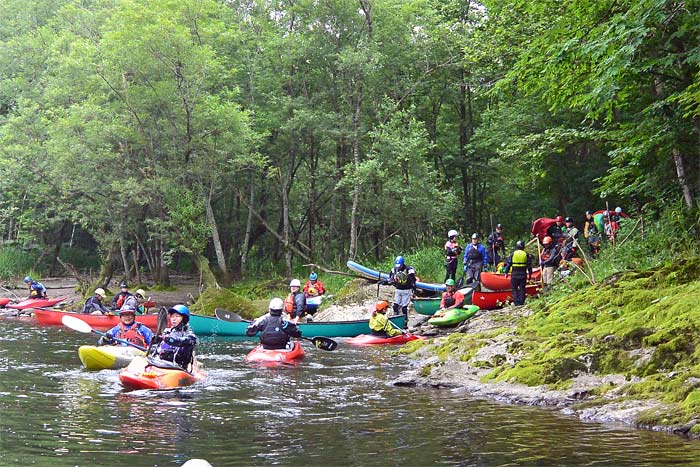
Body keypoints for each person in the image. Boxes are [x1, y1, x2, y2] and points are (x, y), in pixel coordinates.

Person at [150, 304, 197, 369]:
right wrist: (155, 342)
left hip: (179, 368)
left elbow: (179, 341)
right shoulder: (168, 332)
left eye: (177, 316)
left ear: (184, 318)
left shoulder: (190, 335)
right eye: (172, 316)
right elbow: (160, 349)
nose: (173, 319)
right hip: (162, 364)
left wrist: (168, 339)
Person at [388, 255, 416, 327]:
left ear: (403, 264)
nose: (398, 267)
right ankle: (395, 319)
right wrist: (389, 281)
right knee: (395, 306)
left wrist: (414, 289)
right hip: (398, 289)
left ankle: (405, 322)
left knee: (404, 307)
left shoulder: (409, 269)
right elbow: (390, 278)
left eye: (399, 266)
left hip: (406, 290)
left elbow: (413, 279)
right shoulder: (394, 269)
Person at [504, 240, 533, 306]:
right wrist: (530, 275)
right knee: (522, 288)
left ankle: (517, 303)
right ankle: (521, 302)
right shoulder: (526, 254)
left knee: (514, 289)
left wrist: (506, 272)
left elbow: (508, 264)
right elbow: (529, 266)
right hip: (523, 274)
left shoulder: (513, 254)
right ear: (523, 247)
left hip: (514, 274)